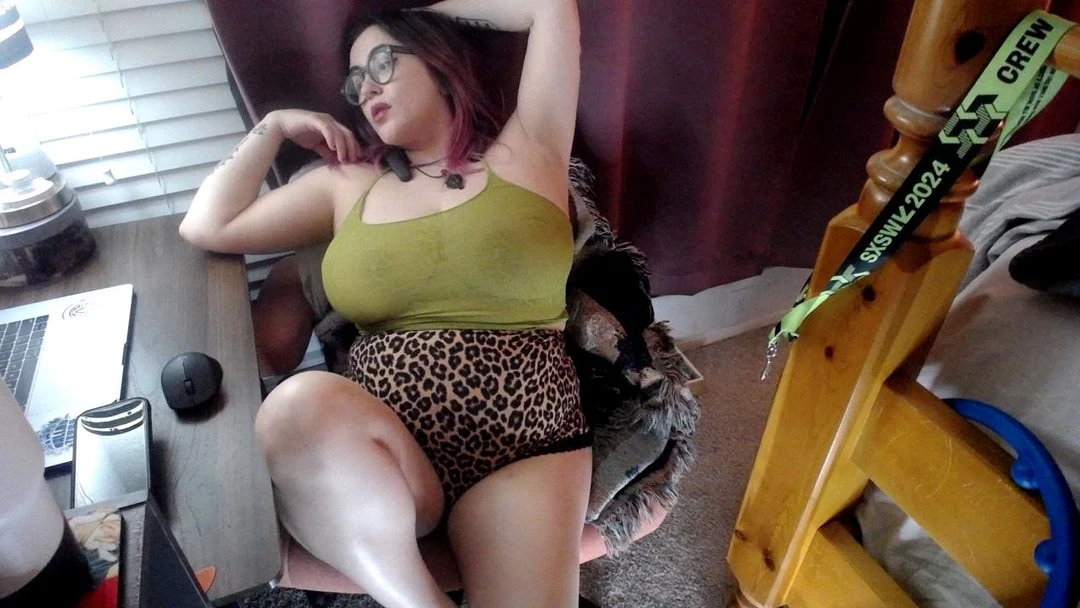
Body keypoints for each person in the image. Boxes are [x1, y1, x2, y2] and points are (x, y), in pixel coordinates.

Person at [179, 2, 591, 607]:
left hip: (526, 444)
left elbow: (550, 8)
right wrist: (273, 127)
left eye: (382, 63)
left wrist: (409, 9)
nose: (365, 88)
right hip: (388, 457)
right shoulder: (343, 185)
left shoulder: (532, 146)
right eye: (355, 80)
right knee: (292, 406)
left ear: (439, 62)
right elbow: (207, 225)